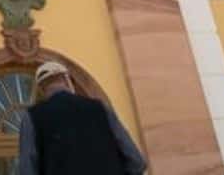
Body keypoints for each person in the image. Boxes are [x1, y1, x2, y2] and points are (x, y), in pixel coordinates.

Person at [17, 60, 147, 174]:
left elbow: (27, 167)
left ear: (41, 89)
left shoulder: (32, 117)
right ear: (67, 80)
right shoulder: (100, 108)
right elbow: (137, 161)